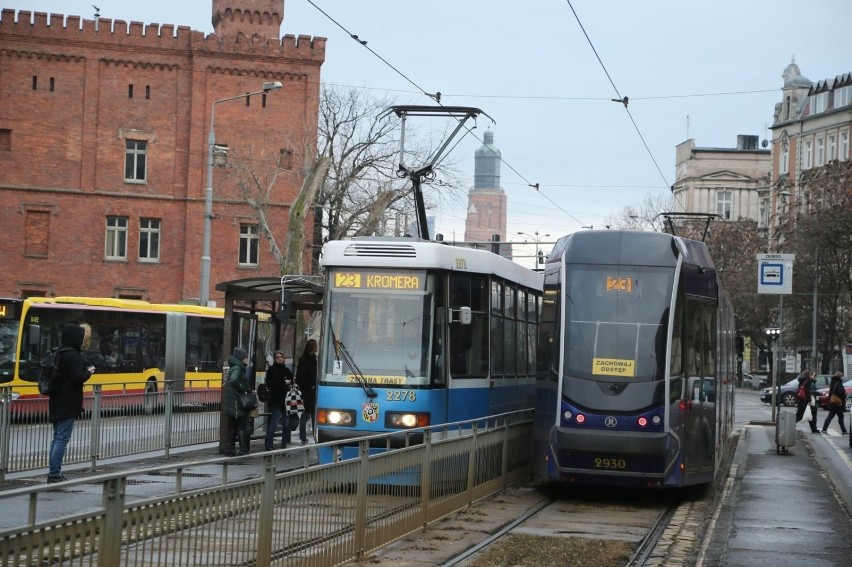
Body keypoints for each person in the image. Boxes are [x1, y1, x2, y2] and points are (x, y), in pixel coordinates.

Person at [47, 323, 95, 483]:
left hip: (55, 399)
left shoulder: (57, 352)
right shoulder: (73, 355)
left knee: (57, 437)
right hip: (68, 401)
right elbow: (77, 377)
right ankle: (54, 474)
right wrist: (88, 372)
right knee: (62, 438)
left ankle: (54, 471)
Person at [224, 347, 252, 456]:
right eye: (245, 357)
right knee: (241, 425)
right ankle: (242, 449)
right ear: (241, 358)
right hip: (237, 402)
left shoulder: (234, 367)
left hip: (232, 402)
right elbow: (234, 380)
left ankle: (230, 449)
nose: (247, 359)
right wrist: (242, 388)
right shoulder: (238, 368)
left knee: (232, 426)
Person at [264, 350, 294, 451]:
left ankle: (284, 444)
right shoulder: (272, 370)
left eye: (281, 357)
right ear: (275, 359)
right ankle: (269, 444)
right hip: (275, 400)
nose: (280, 359)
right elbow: (269, 383)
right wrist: (283, 382)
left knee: (286, 423)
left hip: (286, 401)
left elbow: (292, 383)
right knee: (274, 422)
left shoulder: (287, 370)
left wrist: (289, 383)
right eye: (278, 357)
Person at [295, 339, 318, 445]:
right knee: (308, 414)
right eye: (315, 346)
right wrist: (311, 385)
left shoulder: (309, 359)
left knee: (310, 414)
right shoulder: (306, 360)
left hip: (310, 391)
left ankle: (307, 437)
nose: (316, 348)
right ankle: (306, 437)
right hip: (308, 392)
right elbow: (301, 377)